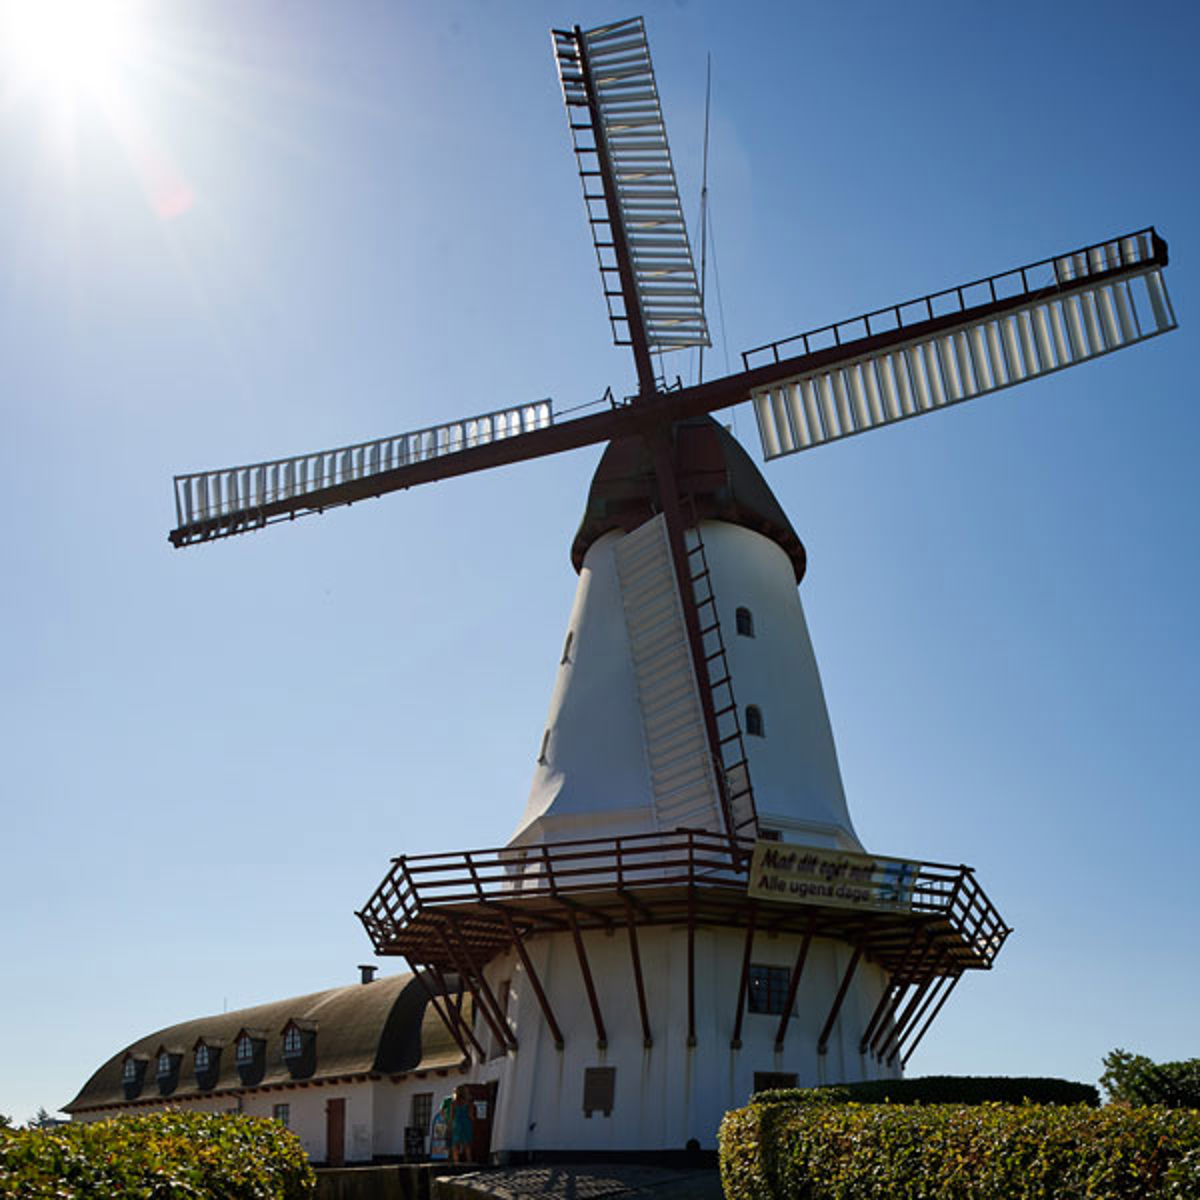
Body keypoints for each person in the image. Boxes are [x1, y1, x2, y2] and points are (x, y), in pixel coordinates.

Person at [450, 1087, 474, 1164]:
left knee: (455, 1143)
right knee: (467, 1144)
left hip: (457, 1123)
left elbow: (452, 1115)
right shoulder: (469, 1102)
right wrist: (474, 1120)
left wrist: (452, 1123)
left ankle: (456, 1161)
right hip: (466, 1123)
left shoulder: (454, 1103)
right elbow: (470, 1115)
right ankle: (469, 1161)